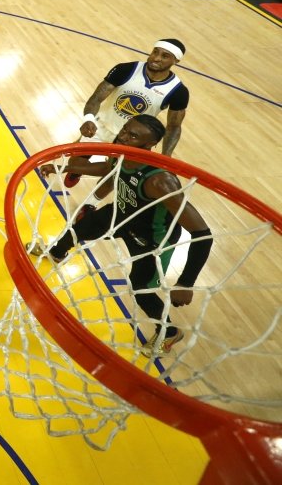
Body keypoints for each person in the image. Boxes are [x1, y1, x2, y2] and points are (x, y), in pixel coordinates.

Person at [34, 115, 213, 356]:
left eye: (133, 136)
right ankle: (55, 253)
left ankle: (169, 333)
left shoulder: (160, 181)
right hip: (122, 215)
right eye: (125, 130)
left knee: (141, 289)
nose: (123, 137)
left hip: (153, 238)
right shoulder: (123, 153)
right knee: (80, 229)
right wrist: (63, 167)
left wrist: (186, 283)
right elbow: (106, 168)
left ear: (148, 146)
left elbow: (202, 233)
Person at [64, 39, 189, 192]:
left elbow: (174, 126)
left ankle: (90, 205)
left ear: (176, 60)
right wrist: (88, 119)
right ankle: (77, 171)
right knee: (75, 163)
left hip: (133, 139)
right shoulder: (126, 69)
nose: (156, 58)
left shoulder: (178, 91)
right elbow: (97, 97)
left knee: (115, 175)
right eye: (155, 52)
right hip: (101, 126)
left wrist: (166, 156)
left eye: (165, 56)